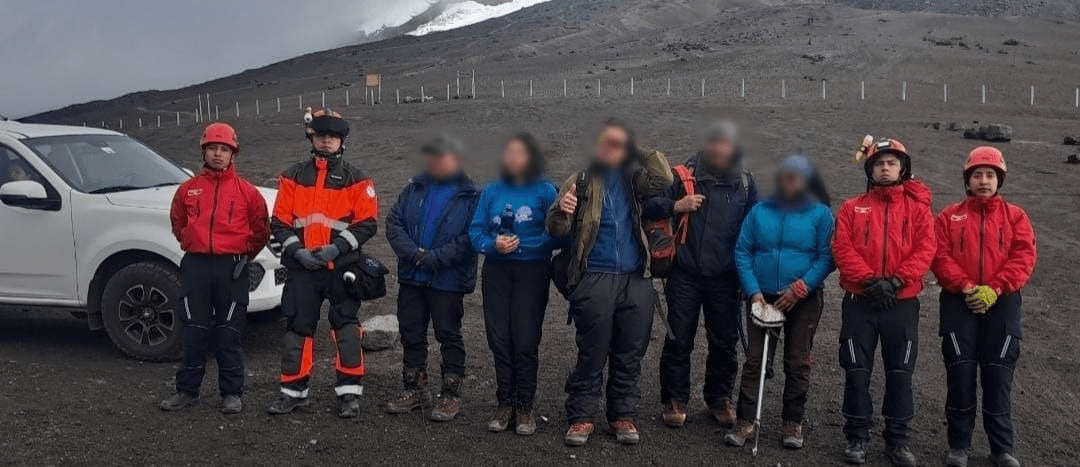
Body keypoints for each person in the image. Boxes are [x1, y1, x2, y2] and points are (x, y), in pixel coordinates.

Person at [547, 118, 672, 447]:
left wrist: (636, 149)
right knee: (592, 350)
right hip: (595, 278)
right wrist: (562, 211)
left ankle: (622, 415)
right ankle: (582, 415)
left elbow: (665, 178)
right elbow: (556, 230)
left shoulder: (636, 180)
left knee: (630, 350)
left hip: (635, 278)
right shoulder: (581, 180)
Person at [642, 120, 757, 429]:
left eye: (725, 143)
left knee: (723, 341)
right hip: (685, 273)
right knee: (679, 339)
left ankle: (718, 399)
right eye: (713, 142)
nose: (718, 149)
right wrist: (676, 204)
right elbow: (649, 206)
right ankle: (674, 399)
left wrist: (751, 278)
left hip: (726, 277)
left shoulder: (746, 183)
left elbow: (755, 229)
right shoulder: (682, 176)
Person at [266, 109, 379, 418]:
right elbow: (279, 223)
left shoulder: (359, 179)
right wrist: (297, 252)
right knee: (297, 330)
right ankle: (293, 393)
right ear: (311, 137)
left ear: (341, 141)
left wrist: (336, 249)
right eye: (321, 135)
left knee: (346, 329)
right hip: (303, 269)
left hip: (342, 268)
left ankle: (349, 395)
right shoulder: (291, 177)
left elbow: (368, 224)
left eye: (332, 136)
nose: (326, 141)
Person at [832, 138, 935, 466]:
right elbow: (842, 247)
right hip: (859, 302)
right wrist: (869, 280)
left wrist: (895, 281)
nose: (886, 167)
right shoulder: (851, 208)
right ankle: (857, 437)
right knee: (857, 371)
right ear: (870, 169)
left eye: (892, 162)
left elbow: (925, 249)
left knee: (900, 372)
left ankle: (897, 440)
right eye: (879, 163)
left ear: (903, 168)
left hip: (902, 303)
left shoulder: (918, 210)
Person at [931, 147, 1036, 467]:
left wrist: (996, 287)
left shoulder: (1016, 216)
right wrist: (965, 286)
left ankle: (1002, 449)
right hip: (958, 302)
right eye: (977, 174)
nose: (984, 180)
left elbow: (1024, 256)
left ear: (999, 179)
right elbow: (939, 254)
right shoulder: (949, 216)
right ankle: (958, 446)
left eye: (990, 175)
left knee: (997, 376)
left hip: (1003, 304)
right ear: (968, 179)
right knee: (960, 374)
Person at [726, 155, 834, 449]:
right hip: (762, 296)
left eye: (797, 177)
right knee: (755, 360)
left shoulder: (821, 214)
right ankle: (747, 419)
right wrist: (753, 291)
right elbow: (743, 251)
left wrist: (800, 287)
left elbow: (827, 256)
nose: (790, 182)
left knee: (798, 361)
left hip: (803, 298)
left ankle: (792, 422)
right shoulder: (760, 211)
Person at [161, 122, 270, 414]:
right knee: (193, 331)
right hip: (196, 266)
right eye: (213, 148)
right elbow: (178, 222)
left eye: (224, 149)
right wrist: (191, 242)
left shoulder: (247, 193)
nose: (218, 154)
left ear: (234, 154)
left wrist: (242, 254)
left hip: (232, 269)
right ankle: (187, 391)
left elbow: (261, 230)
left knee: (228, 332)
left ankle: (231, 393)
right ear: (204, 151)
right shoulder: (188, 190)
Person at [469, 133, 560, 435]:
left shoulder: (546, 191)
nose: (513, 157)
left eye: (520, 152)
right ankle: (505, 402)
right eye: (508, 151)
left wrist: (526, 246)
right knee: (499, 339)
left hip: (531, 272)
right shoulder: (492, 190)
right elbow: (476, 230)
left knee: (524, 338)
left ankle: (525, 406)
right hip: (496, 271)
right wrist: (493, 245)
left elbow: (561, 233)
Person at [385, 133, 479, 422]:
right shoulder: (413, 188)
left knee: (448, 333)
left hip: (447, 279)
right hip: (412, 275)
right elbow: (393, 222)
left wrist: (437, 258)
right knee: (411, 331)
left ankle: (450, 394)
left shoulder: (471, 195)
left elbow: (471, 236)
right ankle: (415, 388)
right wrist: (414, 254)